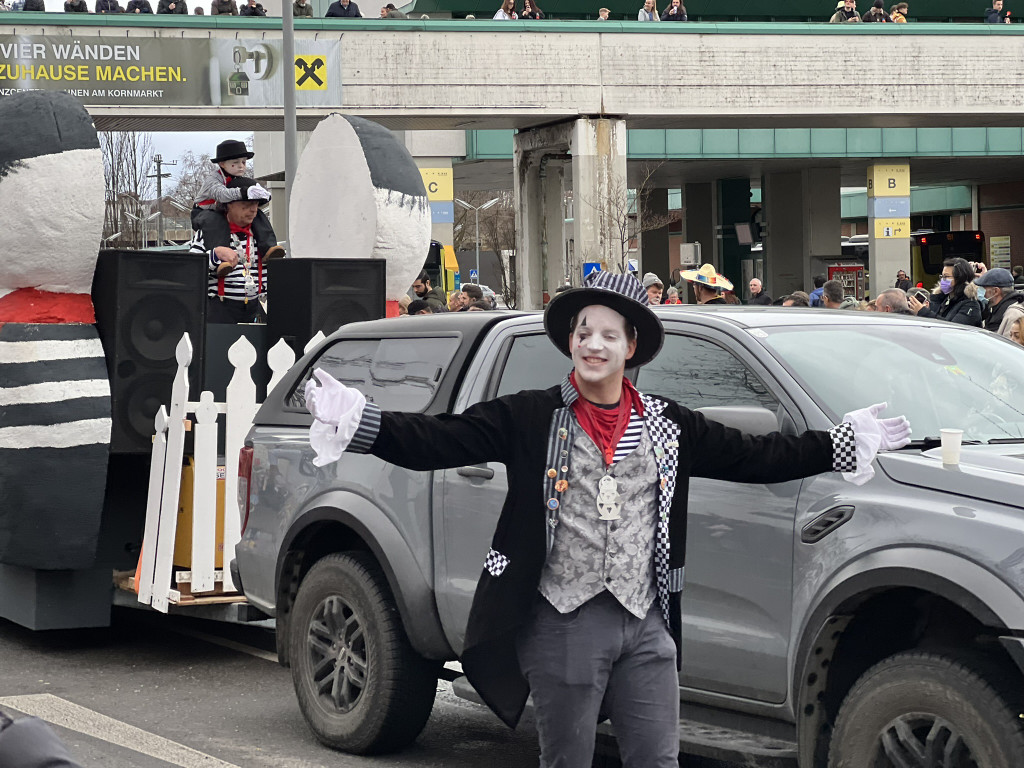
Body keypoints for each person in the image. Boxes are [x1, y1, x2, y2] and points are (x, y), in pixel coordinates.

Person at [303, 270, 911, 768]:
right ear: (571, 342)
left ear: (631, 348)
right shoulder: (531, 416)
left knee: (657, 760)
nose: (594, 344)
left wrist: (841, 444)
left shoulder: (669, 423)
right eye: (584, 332)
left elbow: (759, 455)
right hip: (562, 621)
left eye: (609, 335)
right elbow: (438, 439)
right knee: (568, 761)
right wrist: (362, 421)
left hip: (647, 624)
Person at [190, 177, 273, 325]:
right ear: (229, 205)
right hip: (221, 311)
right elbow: (191, 269)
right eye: (246, 205)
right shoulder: (208, 232)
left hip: (255, 309)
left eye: (256, 204)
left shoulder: (261, 234)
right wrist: (215, 255)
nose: (253, 210)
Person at [192, 139, 282, 265]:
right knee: (216, 222)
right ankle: (222, 258)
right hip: (204, 212)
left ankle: (268, 248)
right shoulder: (212, 180)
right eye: (236, 162)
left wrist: (262, 194)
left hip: (220, 209)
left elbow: (251, 191)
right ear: (222, 164)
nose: (241, 166)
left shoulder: (238, 179)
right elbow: (222, 195)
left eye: (243, 162)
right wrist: (244, 193)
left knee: (259, 215)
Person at [907, 257, 983, 327]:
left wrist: (924, 312)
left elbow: (954, 328)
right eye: (942, 276)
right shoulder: (944, 298)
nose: (942, 280)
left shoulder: (971, 305)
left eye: (946, 277)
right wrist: (928, 308)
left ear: (960, 278)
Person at [975, 268, 1024, 338]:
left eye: (983, 289)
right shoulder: (995, 309)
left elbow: (1010, 343)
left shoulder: (1013, 314)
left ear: (996, 291)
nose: (979, 292)